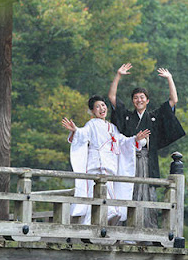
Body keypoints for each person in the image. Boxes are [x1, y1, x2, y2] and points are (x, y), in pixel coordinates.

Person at [108, 63, 185, 228]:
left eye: (142, 97)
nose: (139, 100)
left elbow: (173, 100)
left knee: (148, 193)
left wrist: (170, 78)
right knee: (129, 191)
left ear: (147, 100)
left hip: (148, 160)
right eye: (136, 98)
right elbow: (112, 99)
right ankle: (126, 228)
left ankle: (149, 228)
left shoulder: (154, 117)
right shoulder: (128, 117)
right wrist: (118, 75)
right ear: (133, 101)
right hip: (129, 161)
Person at [61, 95, 150, 226]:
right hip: (96, 166)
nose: (101, 109)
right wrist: (75, 130)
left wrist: (135, 139)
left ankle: (108, 216)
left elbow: (122, 141)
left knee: (110, 193)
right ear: (92, 111)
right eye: (97, 107)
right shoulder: (91, 124)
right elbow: (83, 133)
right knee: (94, 195)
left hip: (110, 166)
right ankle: (89, 223)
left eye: (103, 105)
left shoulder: (112, 127)